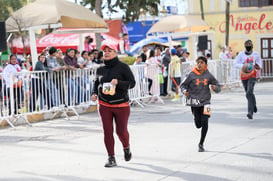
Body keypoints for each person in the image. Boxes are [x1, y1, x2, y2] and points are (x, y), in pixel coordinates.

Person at [91, 42, 136, 167]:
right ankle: (111, 157)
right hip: (104, 104)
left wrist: (119, 83)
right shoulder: (100, 69)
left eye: (109, 50)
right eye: (105, 51)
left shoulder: (123, 67)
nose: (106, 53)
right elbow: (96, 84)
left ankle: (126, 148)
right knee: (107, 131)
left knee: (121, 131)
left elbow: (132, 83)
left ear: (115, 53)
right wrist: (94, 93)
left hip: (121, 104)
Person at [180, 56, 221, 152]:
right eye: (198, 62)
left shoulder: (209, 75)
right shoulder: (191, 75)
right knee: (198, 124)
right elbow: (182, 85)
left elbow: (218, 86)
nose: (199, 64)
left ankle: (201, 143)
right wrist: (184, 91)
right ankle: (196, 119)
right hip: (194, 102)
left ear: (206, 65)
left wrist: (216, 88)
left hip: (206, 102)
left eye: (201, 62)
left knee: (205, 121)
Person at [234, 40, 262, 119]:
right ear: (245, 45)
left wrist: (258, 66)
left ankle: (250, 112)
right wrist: (243, 65)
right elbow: (235, 63)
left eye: (249, 44)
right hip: (244, 76)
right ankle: (253, 105)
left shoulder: (256, 54)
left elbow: (260, 63)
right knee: (248, 93)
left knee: (249, 91)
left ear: (252, 45)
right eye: (247, 44)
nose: (248, 45)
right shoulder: (241, 54)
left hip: (252, 75)